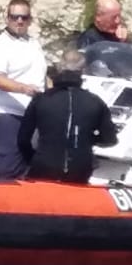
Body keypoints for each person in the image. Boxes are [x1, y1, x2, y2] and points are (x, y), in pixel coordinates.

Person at [18, 49, 118, 183]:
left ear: (59, 68)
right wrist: (87, 138)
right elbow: (110, 139)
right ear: (82, 71)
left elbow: (22, 139)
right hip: (80, 169)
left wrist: (32, 159)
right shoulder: (95, 102)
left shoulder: (41, 100)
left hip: (43, 166)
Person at [0, 0, 48, 178]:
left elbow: (42, 75)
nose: (19, 21)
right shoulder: (0, 46)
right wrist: (24, 89)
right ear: (7, 18)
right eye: (14, 17)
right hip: (6, 114)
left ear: (30, 20)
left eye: (24, 17)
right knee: (8, 168)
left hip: (31, 115)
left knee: (32, 164)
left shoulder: (33, 44)